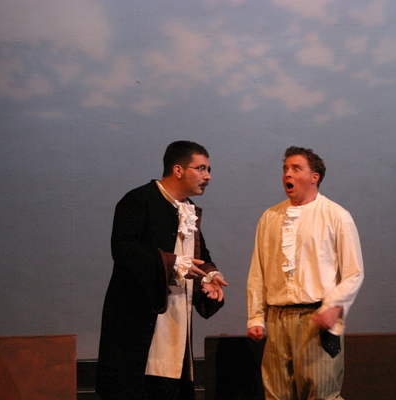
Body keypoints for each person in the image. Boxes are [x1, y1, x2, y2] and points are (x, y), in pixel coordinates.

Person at [96, 140, 228, 400]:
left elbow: (199, 256)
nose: (208, 176)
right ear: (178, 170)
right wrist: (174, 263)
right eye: (201, 168)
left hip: (176, 321)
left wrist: (210, 277)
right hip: (142, 323)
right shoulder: (138, 200)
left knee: (173, 385)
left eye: (208, 169)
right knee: (143, 386)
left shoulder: (186, 209)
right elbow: (124, 249)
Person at [247, 146, 364, 400]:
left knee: (321, 394)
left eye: (296, 168)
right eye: (285, 169)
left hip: (316, 318)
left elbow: (353, 272)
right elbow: (258, 271)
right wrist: (256, 317)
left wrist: (334, 306)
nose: (287, 174)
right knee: (276, 395)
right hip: (277, 319)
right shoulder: (270, 217)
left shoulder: (336, 215)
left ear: (314, 177)